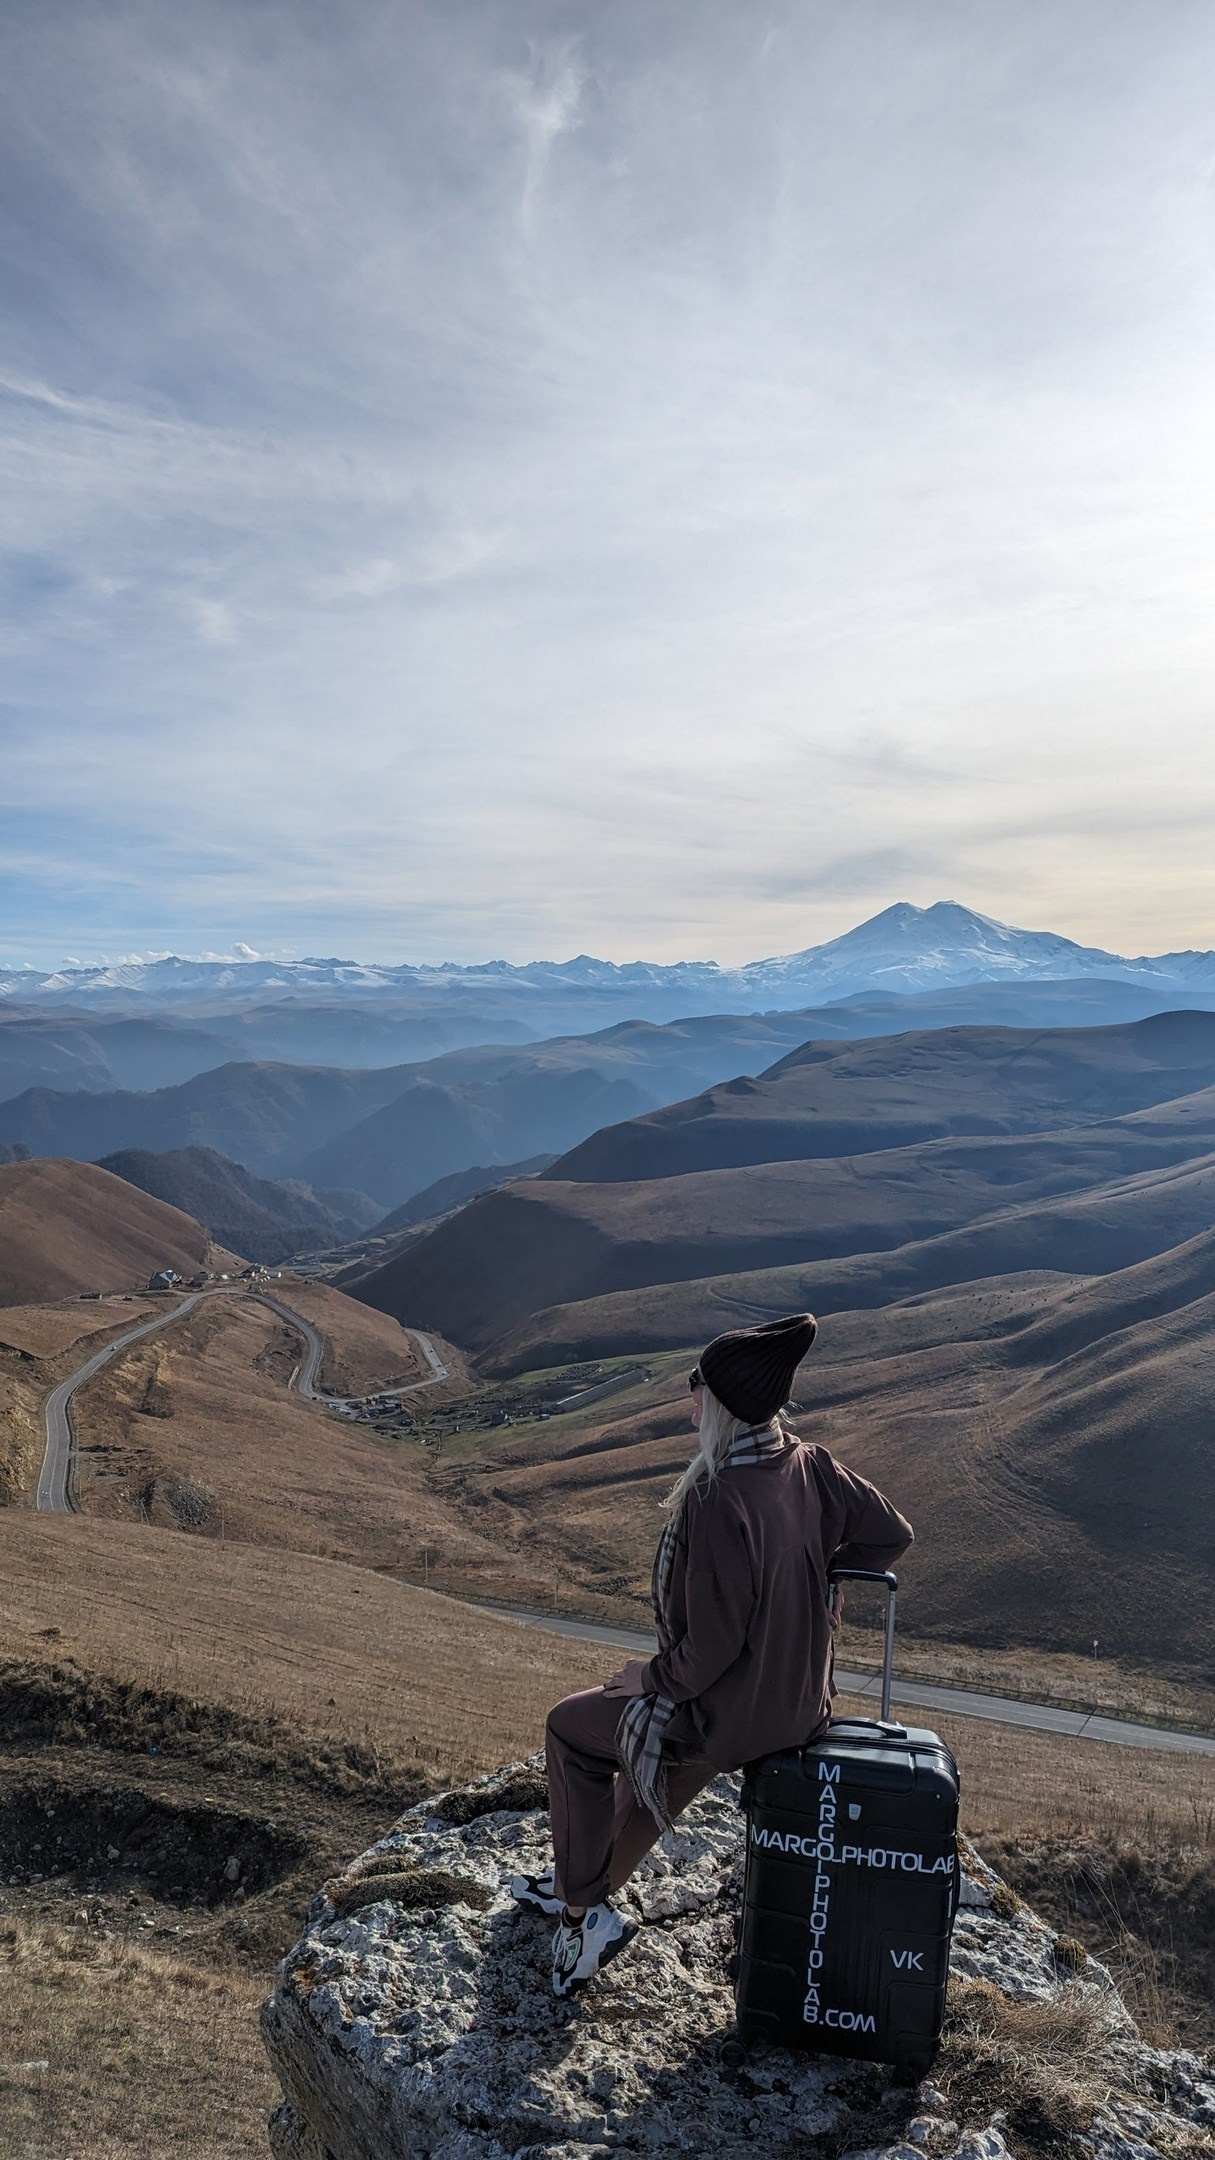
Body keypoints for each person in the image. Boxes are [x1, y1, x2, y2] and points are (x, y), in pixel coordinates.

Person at [510, 1312, 914, 1997]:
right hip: (796, 1705)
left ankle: (581, 1916)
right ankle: (582, 1882)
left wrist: (651, 1676)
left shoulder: (718, 1493)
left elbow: (713, 1646)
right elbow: (892, 1536)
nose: (688, 1394)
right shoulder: (809, 1464)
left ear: (722, 1400)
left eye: (697, 1383)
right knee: (653, 1767)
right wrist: (816, 1571)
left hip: (731, 1715)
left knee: (571, 1729)